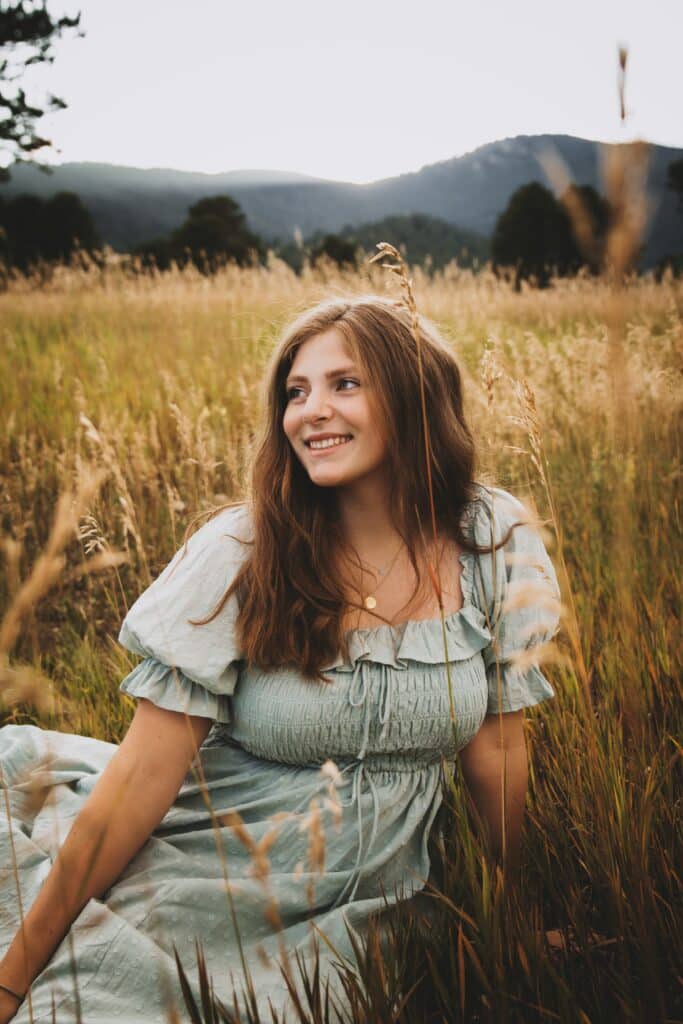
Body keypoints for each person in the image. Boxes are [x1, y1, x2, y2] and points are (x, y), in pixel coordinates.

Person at [0, 295, 561, 1023]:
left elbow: (498, 745)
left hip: (385, 891)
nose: (309, 412)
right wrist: (13, 976)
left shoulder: (491, 535)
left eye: (344, 384)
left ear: (415, 396)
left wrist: (510, 914)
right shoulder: (242, 550)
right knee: (105, 995)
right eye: (295, 392)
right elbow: (142, 773)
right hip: (222, 857)